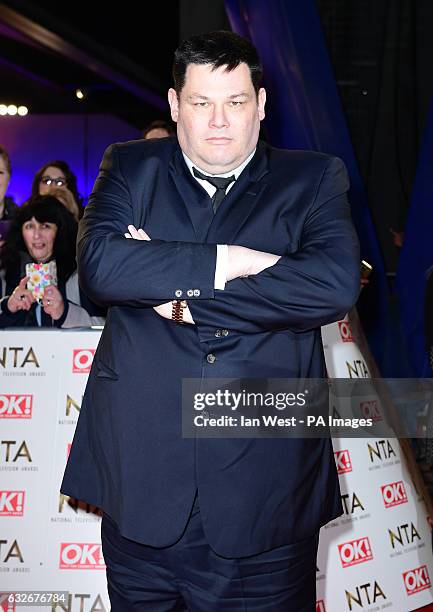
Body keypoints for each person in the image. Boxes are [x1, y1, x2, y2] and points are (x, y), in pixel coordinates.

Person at [61, 31, 360, 610]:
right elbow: (99, 269)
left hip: (267, 501)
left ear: (262, 105)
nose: (218, 120)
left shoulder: (315, 178)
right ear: (175, 106)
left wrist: (174, 294)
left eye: (236, 102)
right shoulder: (129, 165)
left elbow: (331, 285)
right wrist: (236, 263)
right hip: (142, 493)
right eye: (201, 103)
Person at [0, 195, 105, 328]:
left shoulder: (82, 275)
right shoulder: (5, 273)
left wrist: (65, 312)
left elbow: (106, 330)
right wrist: (8, 307)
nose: (37, 234)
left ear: (60, 231)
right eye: (29, 226)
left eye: (45, 226)